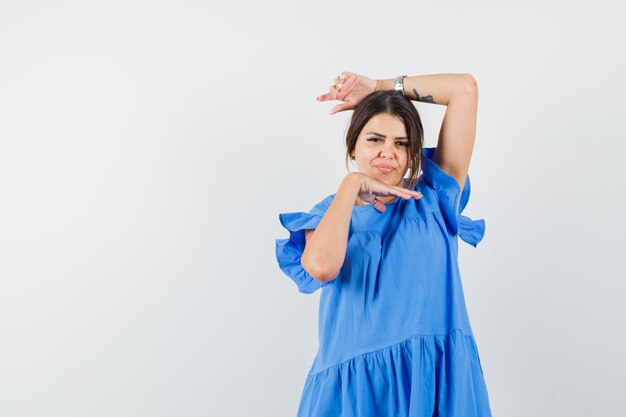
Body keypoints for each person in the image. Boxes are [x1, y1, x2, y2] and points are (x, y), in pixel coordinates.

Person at [275, 71, 493, 417]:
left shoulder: (435, 199)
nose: (388, 152)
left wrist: (378, 87)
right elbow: (320, 267)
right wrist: (351, 187)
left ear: (412, 155)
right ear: (353, 146)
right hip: (357, 394)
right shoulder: (329, 214)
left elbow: (464, 88)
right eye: (375, 140)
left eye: (401, 143)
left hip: (435, 383)